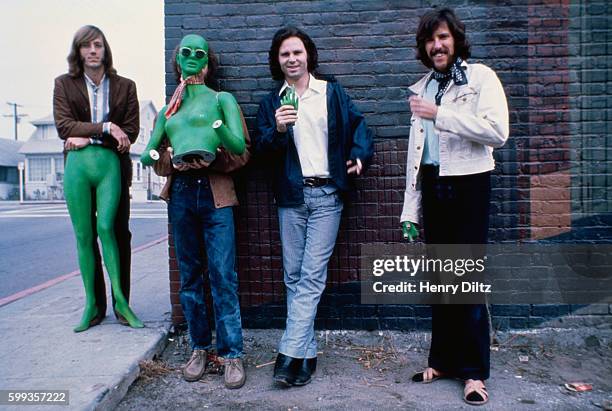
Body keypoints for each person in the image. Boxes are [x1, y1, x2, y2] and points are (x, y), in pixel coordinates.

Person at [400, 8, 509, 405]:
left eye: (443, 37)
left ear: (455, 39)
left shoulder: (481, 78)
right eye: (430, 40)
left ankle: (474, 372)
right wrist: (409, 211)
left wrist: (441, 114)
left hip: (469, 184)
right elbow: (417, 156)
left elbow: (498, 132)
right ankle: (443, 361)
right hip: (434, 186)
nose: (436, 45)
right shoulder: (424, 87)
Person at [254, 26, 374, 387]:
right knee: (293, 277)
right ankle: (306, 356)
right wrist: (275, 131)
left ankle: (287, 353)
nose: (292, 59)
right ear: (277, 61)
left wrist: (358, 156)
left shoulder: (330, 93)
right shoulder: (271, 102)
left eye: (297, 52)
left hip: (326, 197)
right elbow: (260, 152)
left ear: (309, 56)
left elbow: (359, 127)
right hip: (291, 197)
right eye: (285, 54)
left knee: (310, 277)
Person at [147, 34, 249, 389]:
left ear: (207, 63)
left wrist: (211, 154)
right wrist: (174, 159)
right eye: (185, 53)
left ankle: (232, 354)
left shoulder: (223, 100)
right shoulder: (169, 110)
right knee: (189, 277)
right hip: (181, 195)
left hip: (215, 192)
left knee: (223, 275)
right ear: (178, 62)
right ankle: (199, 348)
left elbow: (242, 153)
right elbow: (157, 163)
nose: (192, 59)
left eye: (198, 54)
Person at [53, 25, 142, 332]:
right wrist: (104, 129)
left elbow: (129, 133)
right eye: (86, 46)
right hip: (78, 170)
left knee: (117, 232)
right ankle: (95, 307)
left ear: (105, 50)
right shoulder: (64, 84)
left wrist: (86, 136)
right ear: (78, 51)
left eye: (98, 45)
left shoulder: (125, 86)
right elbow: (64, 127)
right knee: (85, 236)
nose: (93, 51)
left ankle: (122, 304)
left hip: (113, 171)